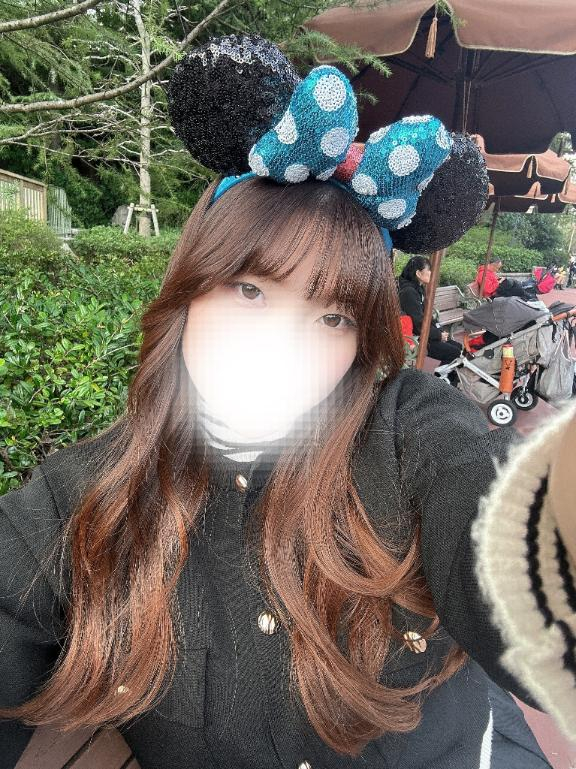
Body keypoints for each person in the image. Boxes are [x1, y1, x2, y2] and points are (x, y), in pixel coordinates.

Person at [0, 34, 564, 769]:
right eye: (251, 290)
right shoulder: (93, 490)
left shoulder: (409, 435)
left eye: (332, 317)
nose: (283, 345)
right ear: (189, 293)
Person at [398, 256, 462, 365]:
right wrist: (438, 335)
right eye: (429, 270)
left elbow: (427, 315)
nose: (431, 273)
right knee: (454, 352)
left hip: (424, 333)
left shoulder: (418, 288)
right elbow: (418, 323)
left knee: (458, 346)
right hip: (415, 338)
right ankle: (440, 375)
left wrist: (440, 330)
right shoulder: (408, 292)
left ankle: (443, 374)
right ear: (418, 273)